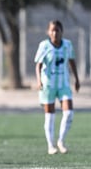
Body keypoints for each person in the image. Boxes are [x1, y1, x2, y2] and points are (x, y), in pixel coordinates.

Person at [34, 20, 80, 155]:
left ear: (62, 31)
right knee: (50, 116)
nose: (55, 33)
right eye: (52, 30)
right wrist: (38, 81)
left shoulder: (67, 45)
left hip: (63, 84)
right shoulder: (44, 46)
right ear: (48, 32)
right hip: (48, 84)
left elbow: (71, 61)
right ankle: (50, 145)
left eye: (57, 30)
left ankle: (61, 140)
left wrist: (76, 79)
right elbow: (38, 65)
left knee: (69, 112)